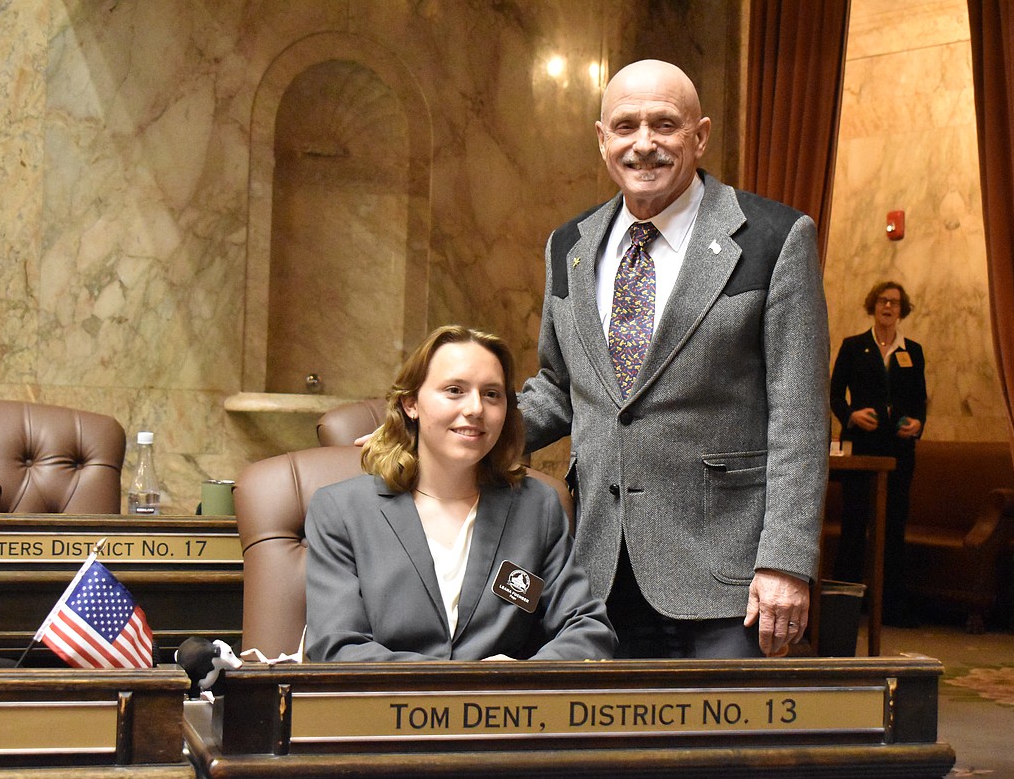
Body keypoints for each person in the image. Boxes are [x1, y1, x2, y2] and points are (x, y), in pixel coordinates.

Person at [518, 59, 830, 658]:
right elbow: (560, 387)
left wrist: (786, 563)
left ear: (700, 135)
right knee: (611, 746)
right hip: (598, 574)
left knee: (719, 749)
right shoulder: (569, 246)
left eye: (664, 124)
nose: (644, 144)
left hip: (729, 581)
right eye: (626, 126)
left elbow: (799, 417)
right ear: (602, 139)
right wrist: (440, 434)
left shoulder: (773, 238)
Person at [306, 325, 616, 662]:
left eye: (492, 394)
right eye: (455, 390)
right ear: (411, 403)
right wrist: (467, 685)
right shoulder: (341, 510)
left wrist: (518, 679)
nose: (476, 409)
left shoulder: (536, 507)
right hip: (387, 709)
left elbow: (587, 629)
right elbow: (338, 646)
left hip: (506, 711)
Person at [829, 281, 927, 627]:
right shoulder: (854, 347)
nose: (889, 307)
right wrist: (851, 415)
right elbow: (835, 394)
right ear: (873, 306)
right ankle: (844, 609)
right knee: (855, 524)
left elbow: (919, 402)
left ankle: (890, 608)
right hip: (862, 449)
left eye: (895, 303)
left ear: (902, 310)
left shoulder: (912, 351)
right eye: (884, 301)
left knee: (893, 526)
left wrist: (918, 423)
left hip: (899, 450)